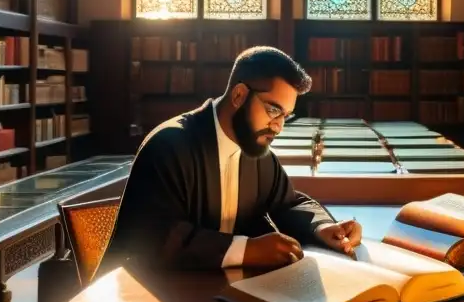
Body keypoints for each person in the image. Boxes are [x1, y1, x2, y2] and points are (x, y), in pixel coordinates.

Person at [99, 46, 363, 275]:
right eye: (273, 110)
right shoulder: (169, 145)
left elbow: (288, 203)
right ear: (239, 95)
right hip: (144, 299)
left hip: (213, 292)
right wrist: (247, 250)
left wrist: (324, 227)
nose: (279, 127)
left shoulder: (256, 152)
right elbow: (155, 238)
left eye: (286, 115)